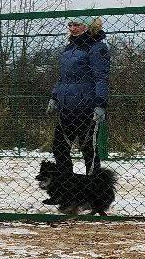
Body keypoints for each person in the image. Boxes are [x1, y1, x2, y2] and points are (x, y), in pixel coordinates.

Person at [45, 17, 110, 202]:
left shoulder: (97, 48)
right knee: (59, 148)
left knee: (89, 151)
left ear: (88, 27)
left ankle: (95, 193)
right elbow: (62, 77)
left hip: (86, 109)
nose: (72, 28)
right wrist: (54, 96)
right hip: (66, 108)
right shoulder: (69, 48)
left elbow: (101, 78)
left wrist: (100, 104)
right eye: (70, 25)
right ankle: (65, 190)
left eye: (77, 25)